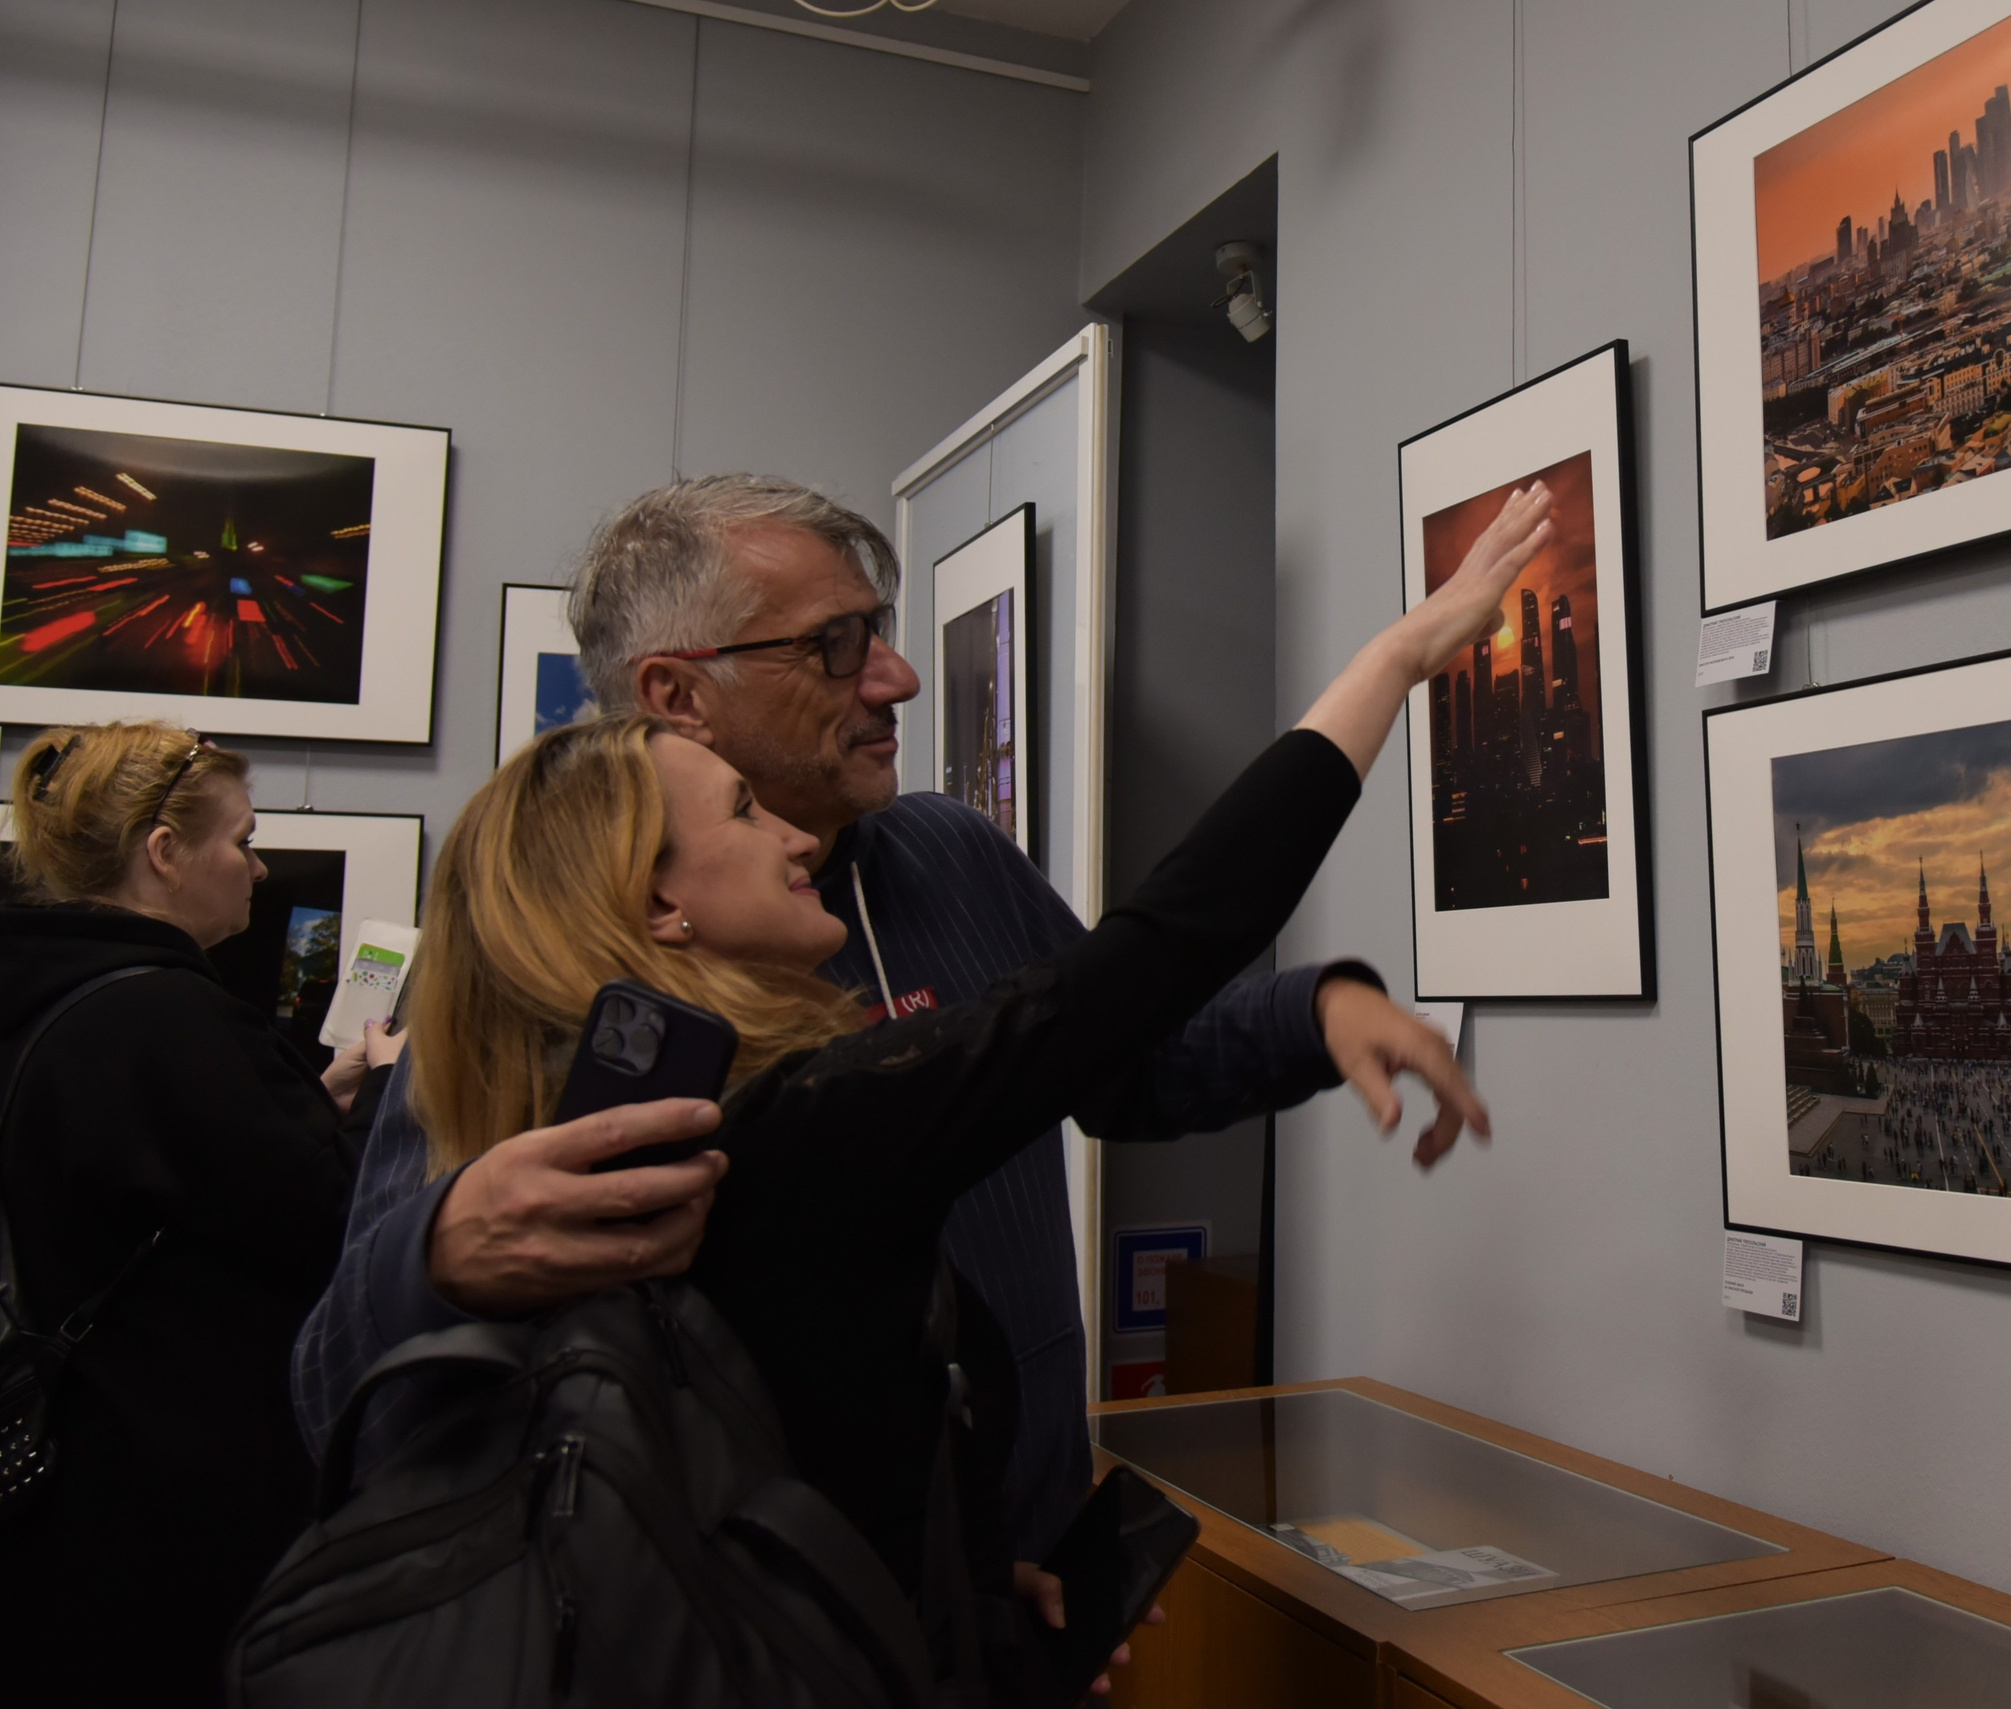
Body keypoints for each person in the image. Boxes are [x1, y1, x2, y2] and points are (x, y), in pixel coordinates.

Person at [398, 482, 1551, 1696]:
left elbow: (1112, 1045)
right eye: (833, 643)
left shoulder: (931, 865)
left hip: (924, 1591)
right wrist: (1392, 659)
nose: (892, 677)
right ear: (678, 708)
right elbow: (1154, 949)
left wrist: (934, 1564)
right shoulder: (759, 1107)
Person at [0, 724, 401, 1706]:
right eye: (243, 839)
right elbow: (340, 1223)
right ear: (165, 852)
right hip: (178, 1491)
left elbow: (171, 1165)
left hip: (68, 1483)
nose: (257, 868)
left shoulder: (50, 991)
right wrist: (393, 1095)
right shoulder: (174, 1020)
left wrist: (312, 1086)